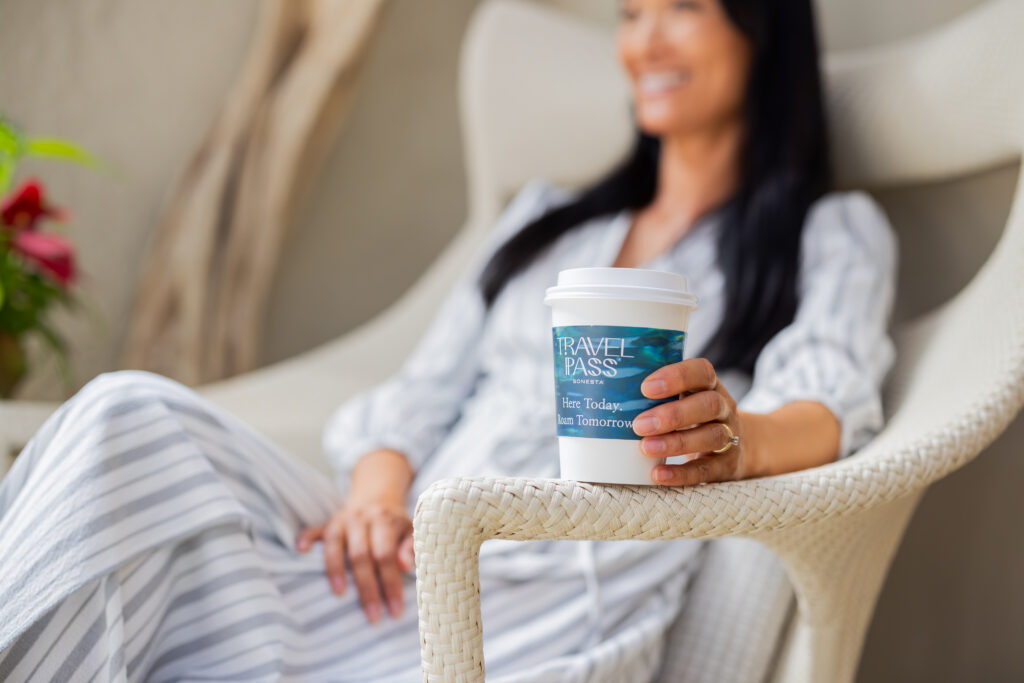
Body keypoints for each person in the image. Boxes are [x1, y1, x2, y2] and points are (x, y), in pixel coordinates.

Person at [0, 0, 898, 680]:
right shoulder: (549, 220)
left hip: (543, 595)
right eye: (630, 13)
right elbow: (418, 395)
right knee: (128, 414)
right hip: (397, 558)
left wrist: (736, 438)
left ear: (763, 31)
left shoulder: (824, 233)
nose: (645, 41)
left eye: (684, 8)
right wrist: (376, 497)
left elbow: (829, 402)